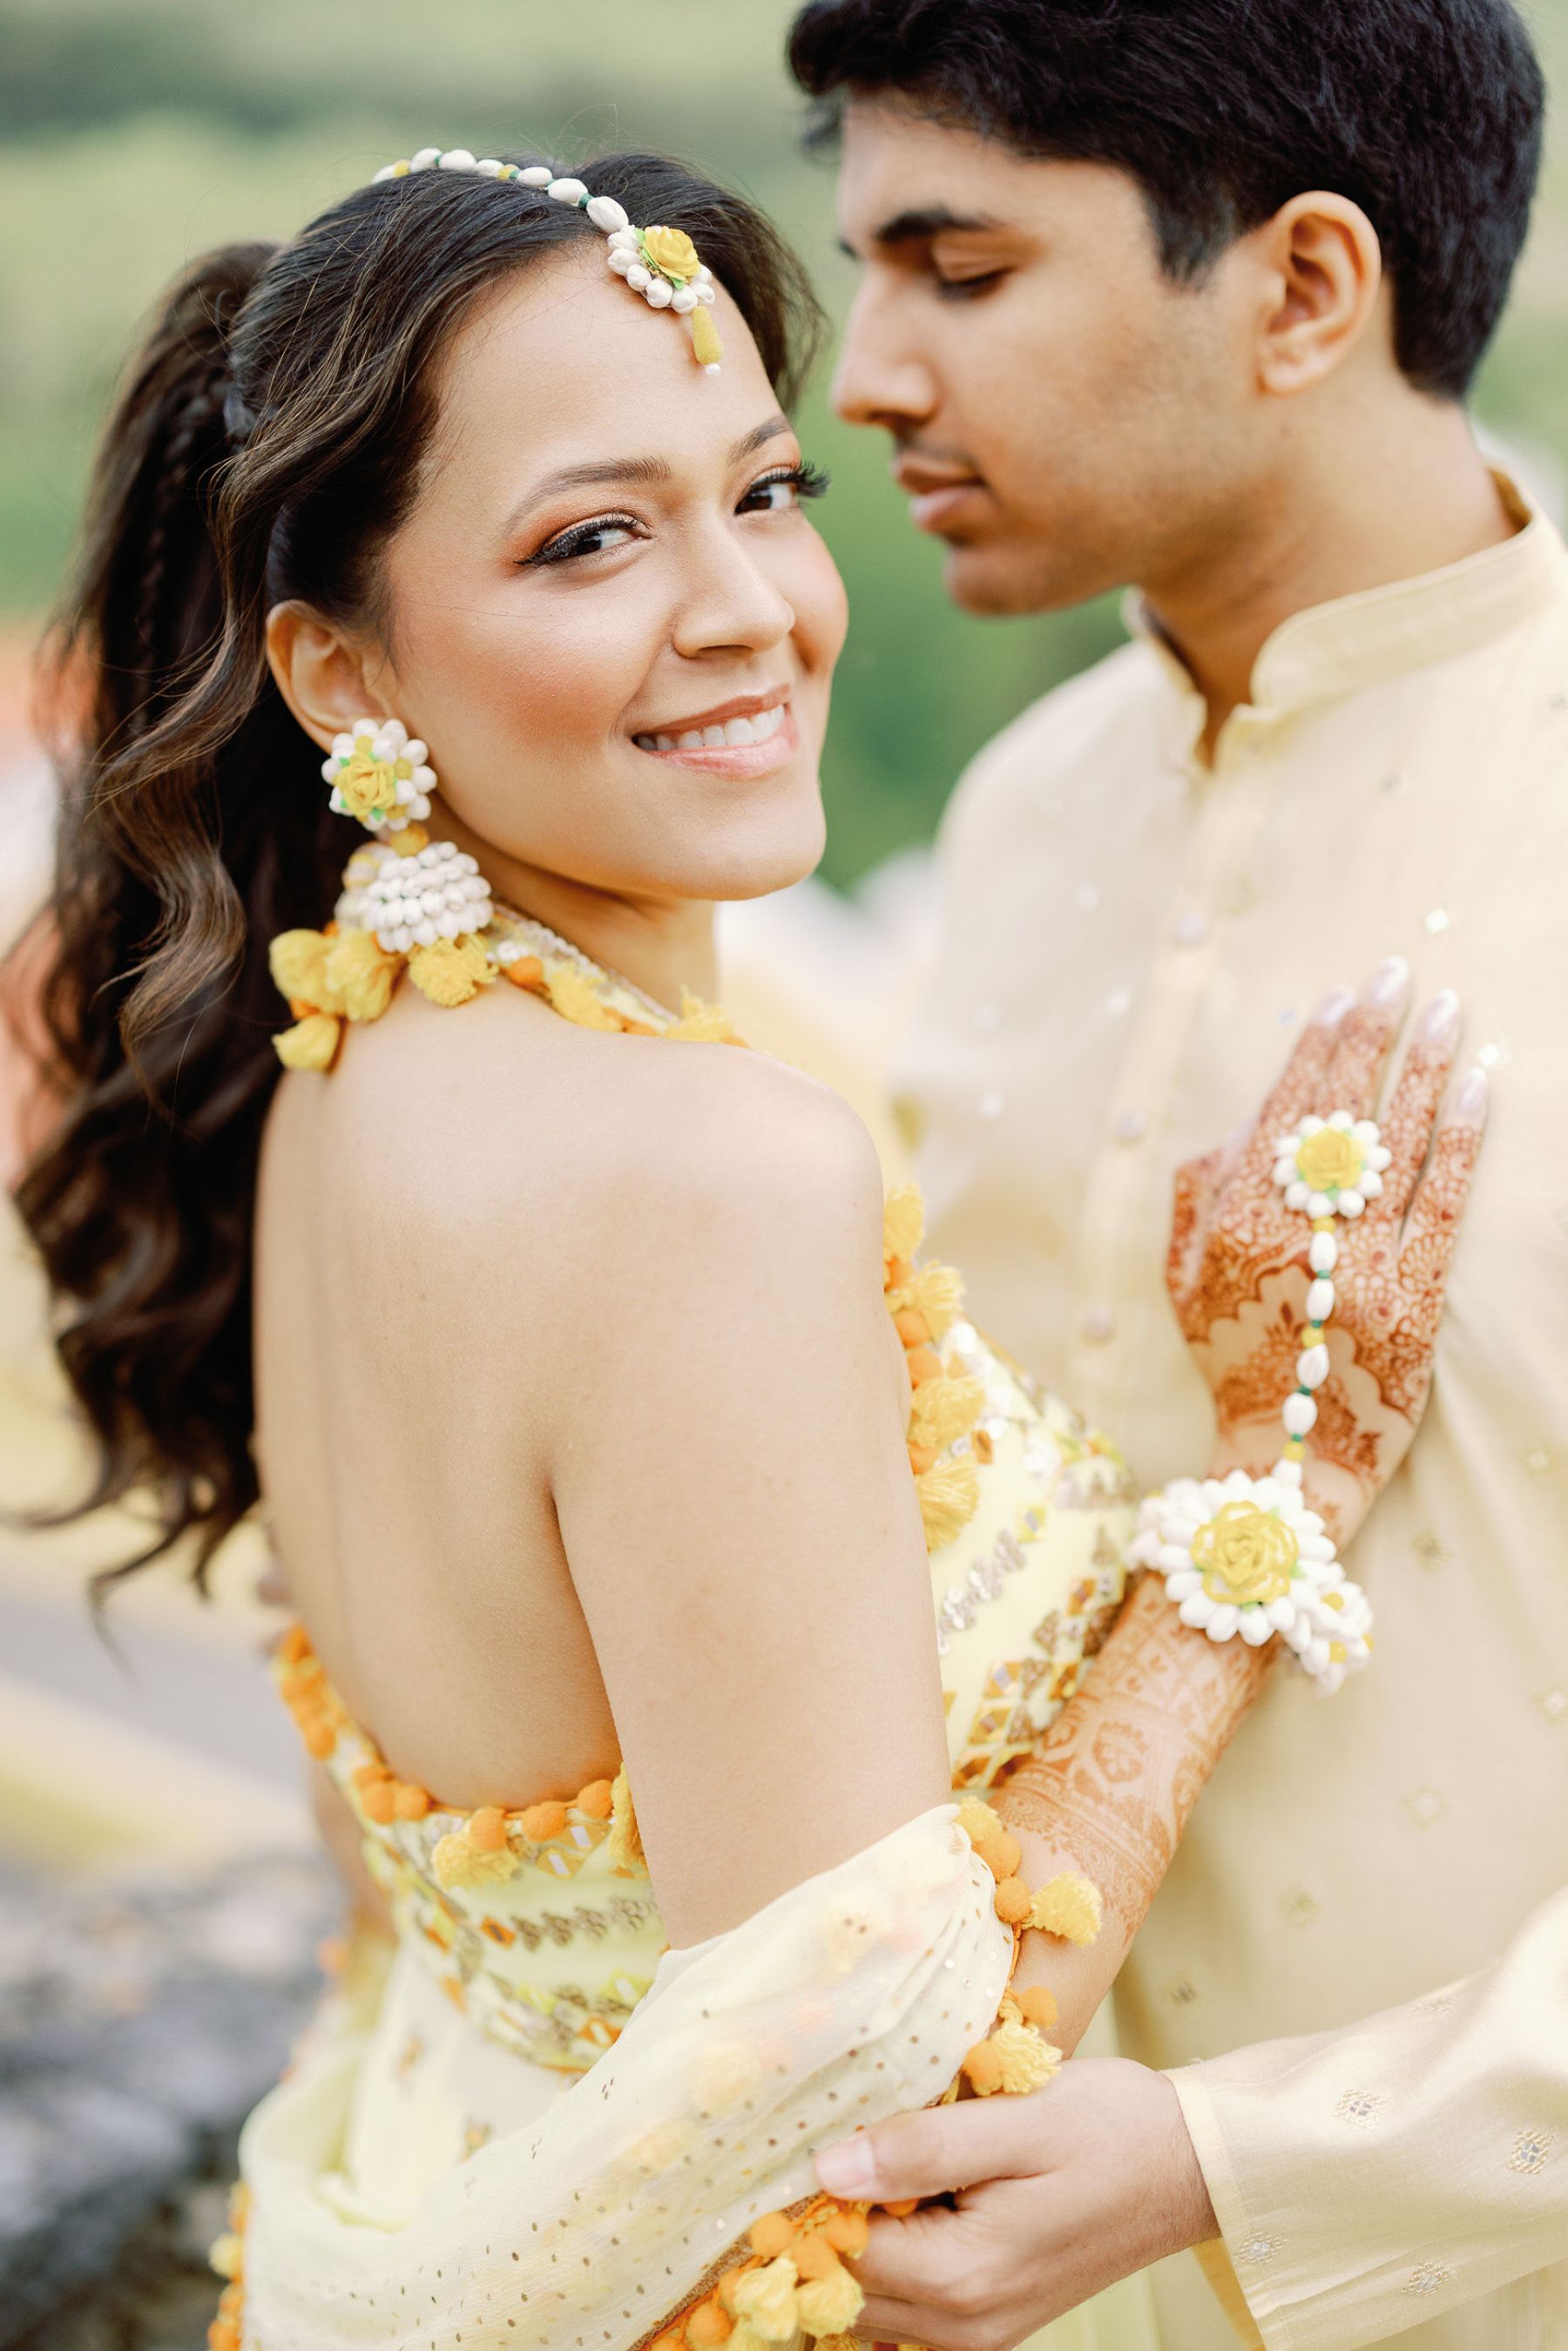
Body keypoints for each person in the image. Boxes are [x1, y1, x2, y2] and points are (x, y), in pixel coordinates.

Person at [8, 143, 1473, 2351]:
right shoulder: (708, 1171)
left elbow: (412, 1873)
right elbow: (880, 2110)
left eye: (764, 492)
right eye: (594, 537)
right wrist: (1288, 1473)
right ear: (336, 671)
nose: (749, 610)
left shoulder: (335, 1076)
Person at [787, 0, 1568, 2343]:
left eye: (964, 269)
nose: (869, 383)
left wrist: (1235, 2161)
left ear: (1307, 288)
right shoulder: (1027, 821)